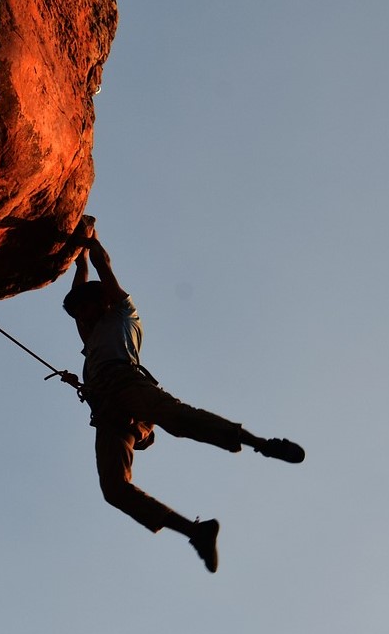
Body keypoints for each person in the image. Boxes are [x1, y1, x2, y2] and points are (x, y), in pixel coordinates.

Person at [61, 231, 304, 573]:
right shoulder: (90, 333)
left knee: (177, 419)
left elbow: (105, 267)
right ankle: (196, 531)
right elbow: (79, 293)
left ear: (102, 302)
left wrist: (91, 241)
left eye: (86, 307)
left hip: (126, 382)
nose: (81, 315)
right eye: (79, 311)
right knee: (114, 489)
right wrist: (78, 261)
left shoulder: (122, 314)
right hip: (107, 409)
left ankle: (262, 444)